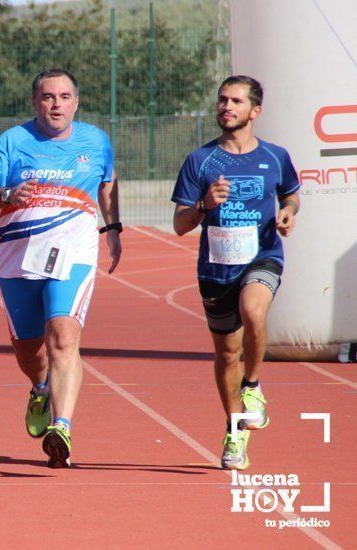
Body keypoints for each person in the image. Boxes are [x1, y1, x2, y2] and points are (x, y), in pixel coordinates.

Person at [0, 69, 121, 468]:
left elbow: (108, 183)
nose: (57, 104)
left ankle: (62, 425)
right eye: (48, 97)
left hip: (74, 252)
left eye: (65, 97)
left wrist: (113, 228)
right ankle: (40, 387)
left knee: (64, 336)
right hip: (19, 257)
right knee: (29, 352)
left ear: (76, 102)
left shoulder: (96, 141)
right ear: (35, 102)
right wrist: (6, 193)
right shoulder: (12, 142)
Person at [171, 75, 299, 470]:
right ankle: (235, 428)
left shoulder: (276, 156)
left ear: (254, 111)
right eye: (222, 100)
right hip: (215, 268)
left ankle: (254, 384)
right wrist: (204, 206)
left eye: (236, 101)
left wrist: (288, 213)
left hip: (262, 257)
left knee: (254, 310)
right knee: (227, 353)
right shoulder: (200, 160)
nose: (227, 106)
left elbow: (291, 195)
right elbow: (179, 224)